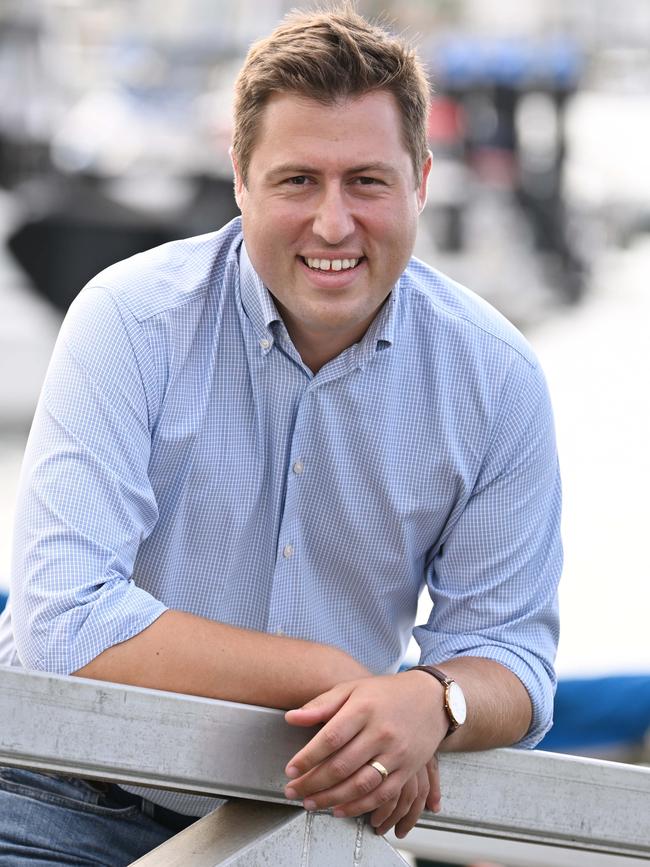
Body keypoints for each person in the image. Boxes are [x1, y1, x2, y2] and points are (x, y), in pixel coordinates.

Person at [0, 6, 561, 864]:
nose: (333, 224)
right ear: (239, 179)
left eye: (367, 182)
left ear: (422, 181)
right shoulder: (129, 321)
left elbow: (512, 653)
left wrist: (433, 699)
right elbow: (67, 622)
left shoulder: (496, 377)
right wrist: (338, 675)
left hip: (322, 812)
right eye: (298, 180)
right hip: (59, 794)